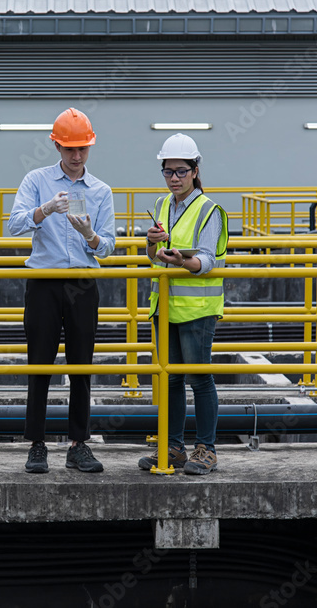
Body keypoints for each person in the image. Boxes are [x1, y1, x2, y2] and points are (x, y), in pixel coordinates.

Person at [7, 107, 116, 473]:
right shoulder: (36, 180)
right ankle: (36, 444)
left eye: (83, 149)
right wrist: (45, 210)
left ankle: (78, 444)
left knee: (81, 365)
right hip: (44, 283)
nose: (76, 156)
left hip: (84, 283)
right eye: (70, 149)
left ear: (91, 147)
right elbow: (14, 225)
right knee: (40, 363)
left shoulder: (101, 191)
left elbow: (109, 246)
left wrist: (90, 235)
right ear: (56, 145)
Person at [139, 133, 228, 476]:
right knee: (171, 379)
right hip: (165, 307)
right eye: (167, 171)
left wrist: (179, 261)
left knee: (199, 378)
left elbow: (207, 263)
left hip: (196, 311)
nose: (173, 178)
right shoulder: (162, 205)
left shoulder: (209, 210)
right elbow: (153, 258)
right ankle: (174, 447)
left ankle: (206, 449)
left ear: (195, 170)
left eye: (180, 171)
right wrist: (151, 245)